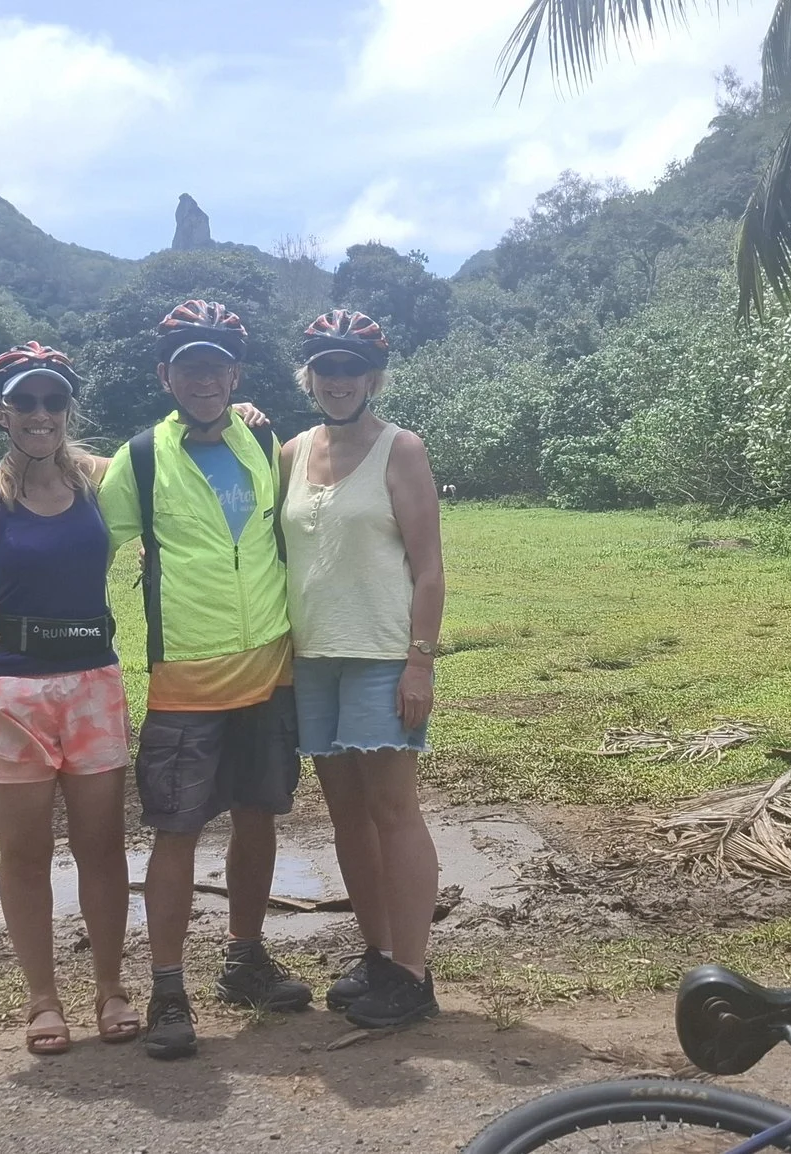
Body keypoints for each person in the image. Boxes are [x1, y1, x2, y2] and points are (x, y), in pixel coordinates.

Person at [108, 299, 311, 1060]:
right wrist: (6, 602)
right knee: (176, 832)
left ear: (236, 373)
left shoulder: (261, 435)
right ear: (165, 374)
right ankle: (167, 989)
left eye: (216, 363)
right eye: (188, 364)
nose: (203, 377)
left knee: (258, 814)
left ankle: (245, 959)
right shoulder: (143, 458)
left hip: (269, 670)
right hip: (186, 680)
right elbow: (95, 543)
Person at [0, 343, 136, 1057]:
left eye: (54, 402)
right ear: (2, 412)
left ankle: (111, 988)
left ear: (68, 410)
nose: (41, 415)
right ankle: (44, 999)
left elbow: (170, 463)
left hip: (92, 687)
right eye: (26, 402)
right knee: (23, 853)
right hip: (12, 695)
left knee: (102, 849)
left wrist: (241, 414)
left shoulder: (101, 482)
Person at [278, 310, 446, 1029]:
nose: (339, 379)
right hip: (313, 658)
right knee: (347, 816)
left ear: (373, 376)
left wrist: (421, 662)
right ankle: (377, 954)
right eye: (326, 366)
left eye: (352, 367)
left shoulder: (400, 450)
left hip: (381, 654)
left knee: (392, 811)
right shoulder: (289, 450)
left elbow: (429, 568)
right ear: (309, 375)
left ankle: (412, 972)